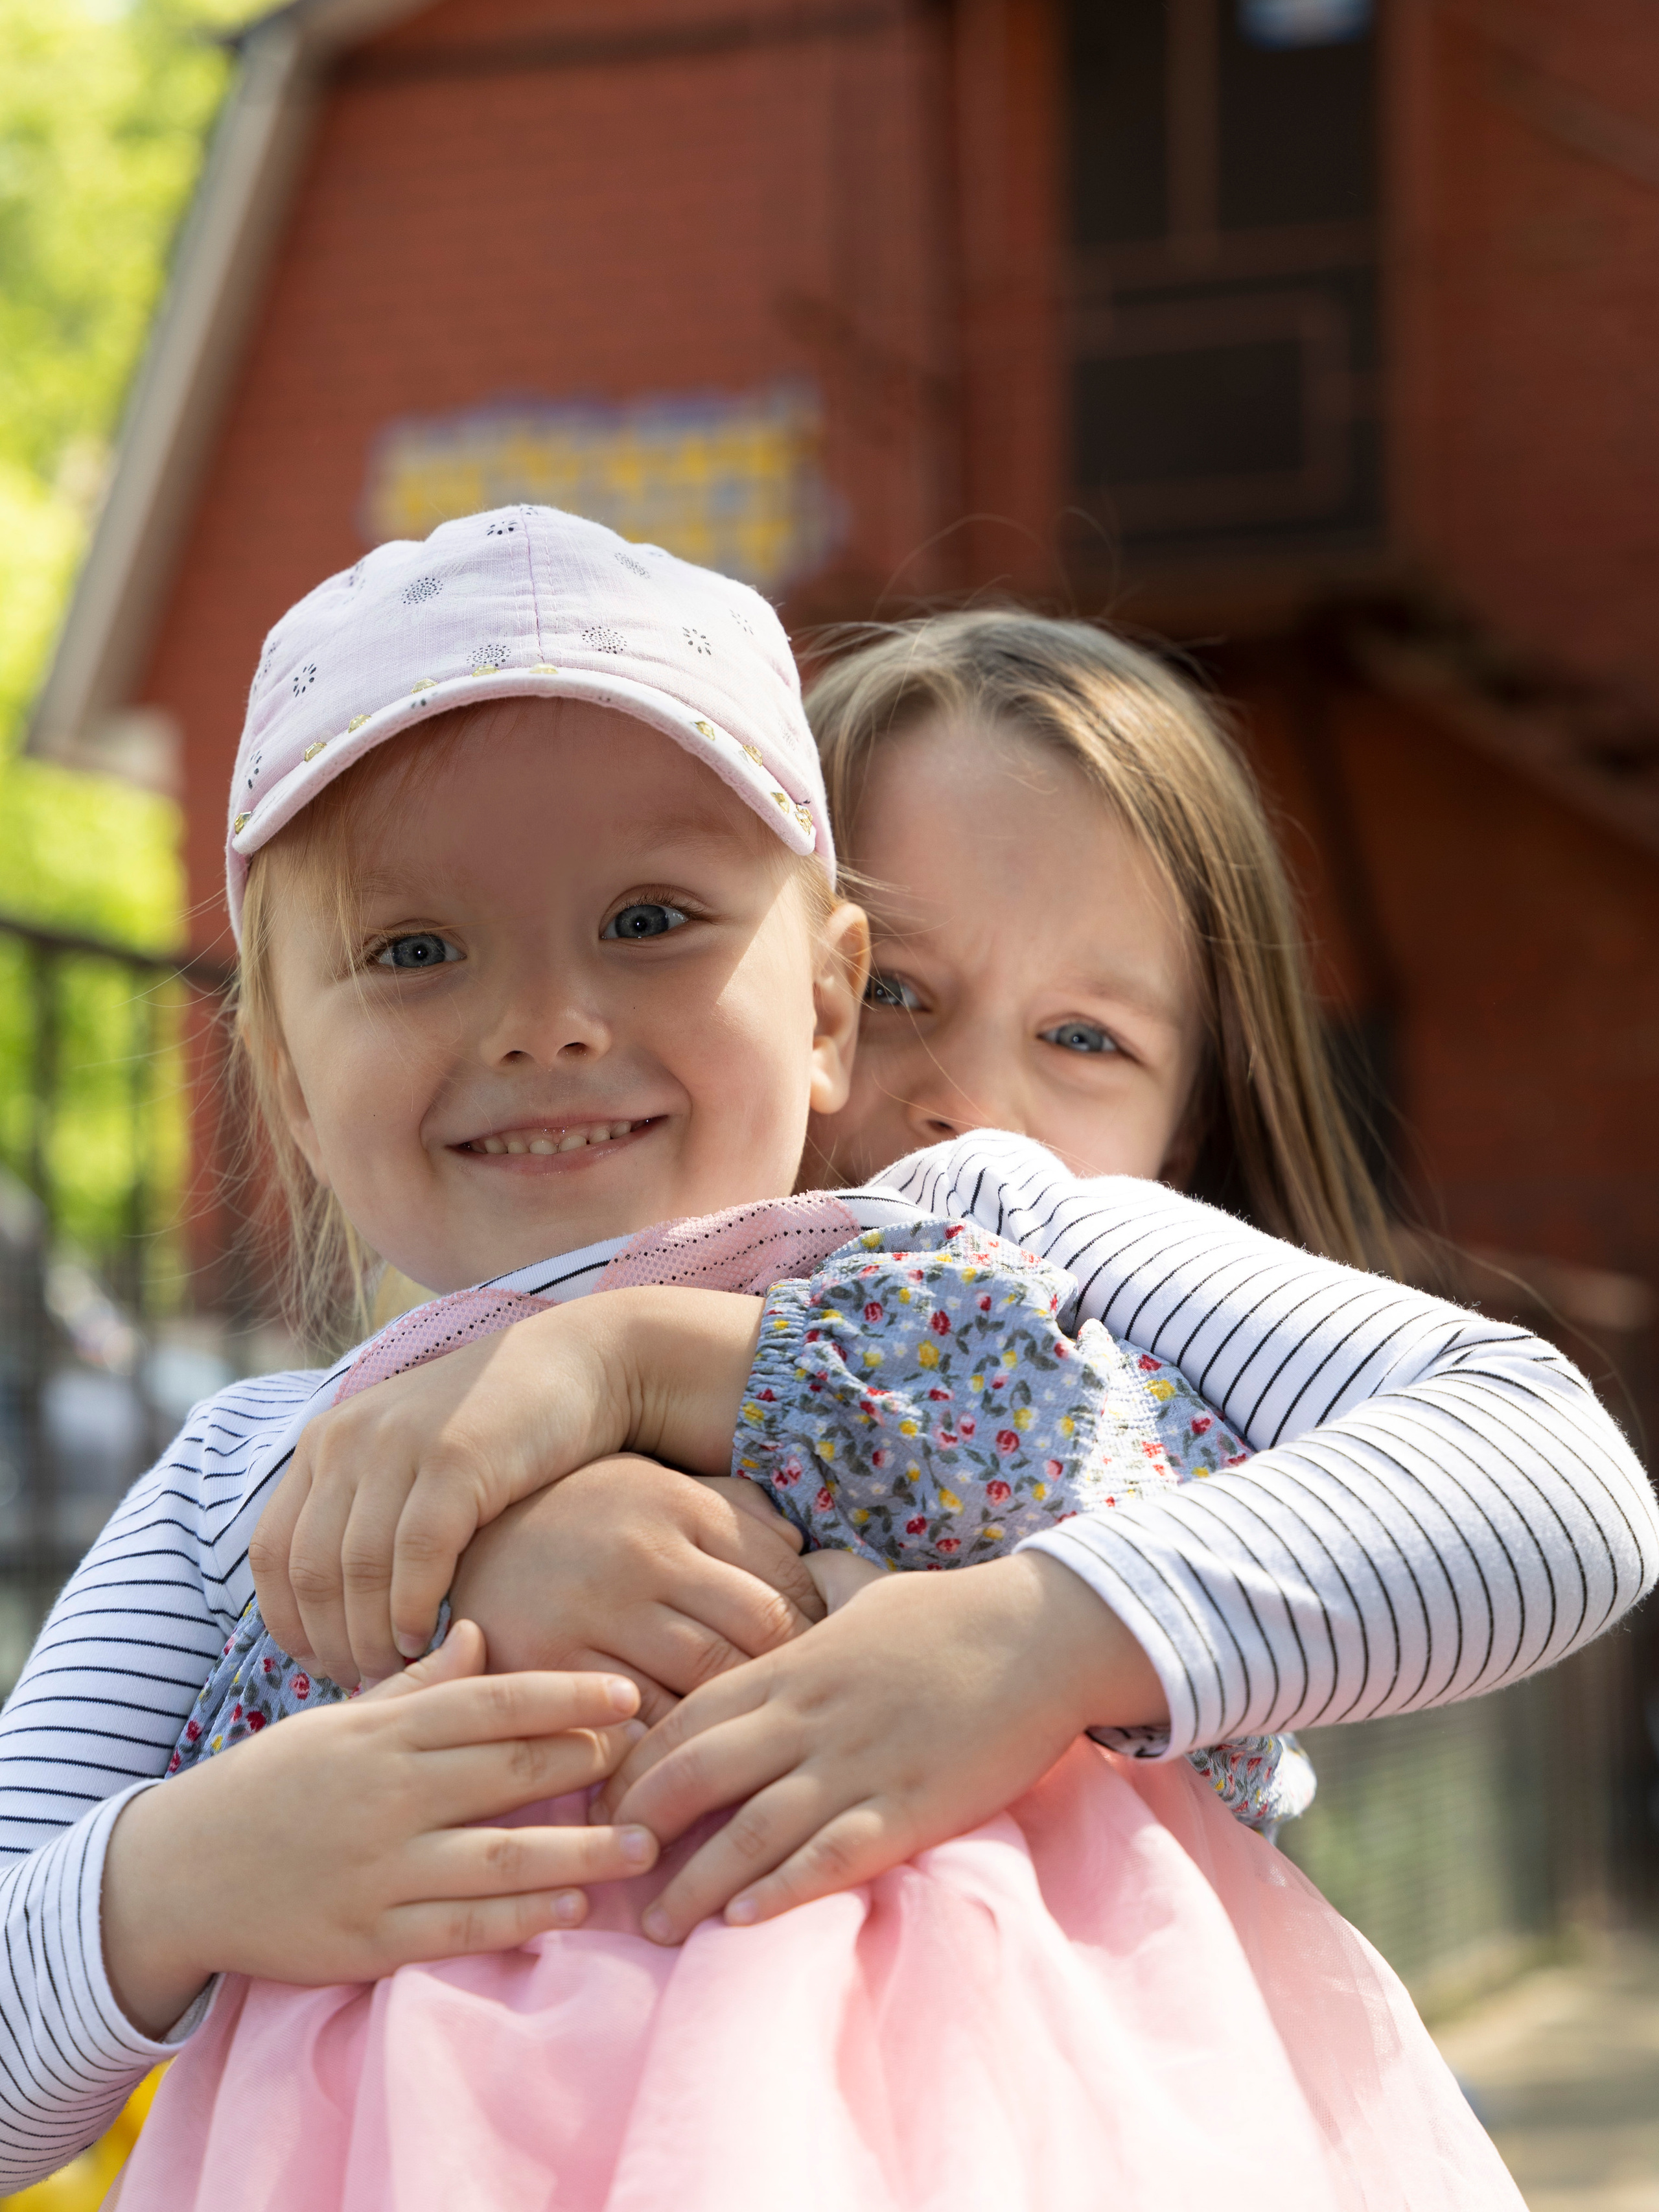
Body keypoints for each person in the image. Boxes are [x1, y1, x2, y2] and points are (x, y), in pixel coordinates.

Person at [0, 513, 1645, 2209]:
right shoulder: (239, 1487)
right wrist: (176, 1881)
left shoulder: (989, 1231)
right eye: (414, 947)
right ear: (279, 1071)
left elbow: (1555, 1477)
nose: (545, 1018)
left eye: (650, 918)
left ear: (824, 1004)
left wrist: (1035, 1639)